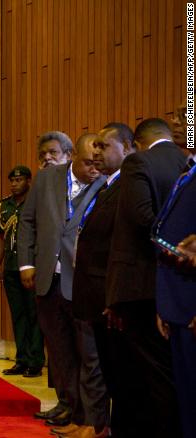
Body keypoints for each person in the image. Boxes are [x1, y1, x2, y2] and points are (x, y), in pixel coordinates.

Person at [104, 116, 186, 437]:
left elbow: (141, 218)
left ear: (136, 143)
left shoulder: (139, 161)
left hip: (140, 285)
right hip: (176, 284)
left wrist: (173, 247)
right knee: (172, 373)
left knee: (147, 378)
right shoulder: (184, 163)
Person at [17, 133, 104, 428]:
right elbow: (27, 220)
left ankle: (83, 416)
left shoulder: (104, 184)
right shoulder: (46, 178)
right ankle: (65, 403)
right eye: (89, 163)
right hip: (46, 278)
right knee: (58, 349)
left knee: (86, 352)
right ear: (74, 158)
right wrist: (26, 263)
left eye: (98, 162)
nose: (95, 167)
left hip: (82, 283)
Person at [67, 124, 137, 438]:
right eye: (95, 146)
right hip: (92, 294)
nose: (97, 152)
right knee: (100, 366)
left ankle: (104, 427)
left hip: (108, 295)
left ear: (128, 147)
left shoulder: (127, 187)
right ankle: (98, 425)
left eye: (103, 146)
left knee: (113, 371)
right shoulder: (105, 186)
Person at [152, 119, 196, 438]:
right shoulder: (187, 170)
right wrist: (163, 303)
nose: (181, 123)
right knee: (186, 400)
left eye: (189, 116)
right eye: (180, 116)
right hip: (177, 303)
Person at [0, 165, 44, 378]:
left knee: (35, 315)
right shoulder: (4, 205)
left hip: (31, 268)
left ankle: (35, 361)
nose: (15, 184)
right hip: (11, 268)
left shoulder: (36, 203)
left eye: (19, 180)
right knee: (18, 316)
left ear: (28, 181)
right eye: (12, 181)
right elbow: (0, 237)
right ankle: (21, 359)